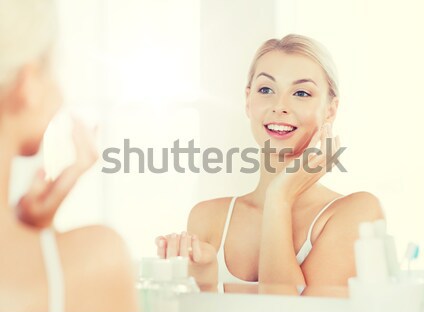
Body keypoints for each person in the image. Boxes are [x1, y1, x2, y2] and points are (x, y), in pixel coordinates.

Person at [155, 34, 384, 287]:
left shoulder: (356, 213)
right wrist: (205, 280)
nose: (280, 106)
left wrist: (279, 197)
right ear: (248, 100)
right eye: (266, 89)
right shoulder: (207, 217)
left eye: (301, 92)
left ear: (330, 110)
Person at [0, 0, 138, 311]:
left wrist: (33, 230)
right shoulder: (97, 261)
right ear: (28, 83)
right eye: (55, 68)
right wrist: (43, 247)